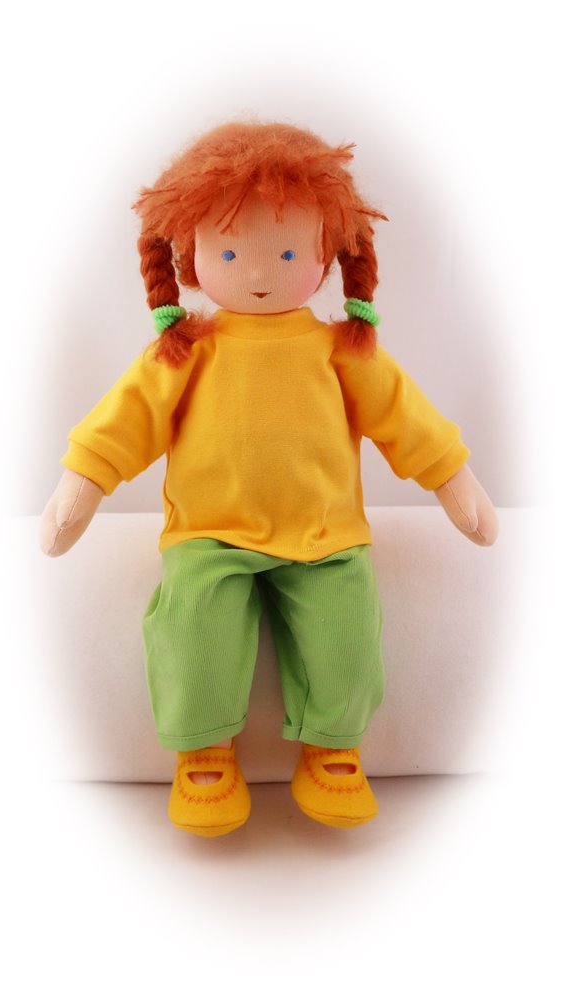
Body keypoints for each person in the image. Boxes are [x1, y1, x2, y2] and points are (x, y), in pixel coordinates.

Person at [40, 120, 498, 837]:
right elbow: (122, 422)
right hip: (208, 534)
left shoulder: (342, 350)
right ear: (192, 256)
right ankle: (203, 751)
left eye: (286, 253)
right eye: (228, 252)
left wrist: (455, 482)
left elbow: (405, 418)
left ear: (326, 252)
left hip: (325, 536)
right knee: (192, 625)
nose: (257, 272)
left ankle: (332, 747)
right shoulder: (185, 351)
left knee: (347, 631)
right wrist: (79, 489)